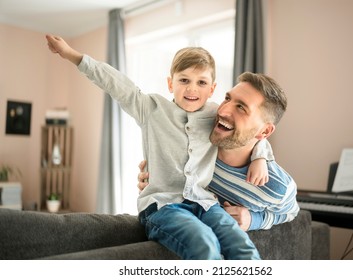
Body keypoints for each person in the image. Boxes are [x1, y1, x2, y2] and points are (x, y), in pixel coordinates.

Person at [45, 35, 274, 260]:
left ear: (212, 88)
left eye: (201, 82)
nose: (192, 89)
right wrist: (73, 56)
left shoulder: (216, 114)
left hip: (205, 204)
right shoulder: (150, 108)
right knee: (204, 243)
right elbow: (116, 84)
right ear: (170, 83)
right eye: (184, 80)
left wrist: (260, 157)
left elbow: (253, 132)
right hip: (163, 207)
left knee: (242, 246)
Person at [138, 72, 300, 232]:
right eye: (227, 99)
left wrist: (254, 219)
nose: (222, 111)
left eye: (241, 108)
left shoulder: (277, 186)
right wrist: (154, 181)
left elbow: (291, 212)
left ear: (264, 131)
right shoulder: (195, 141)